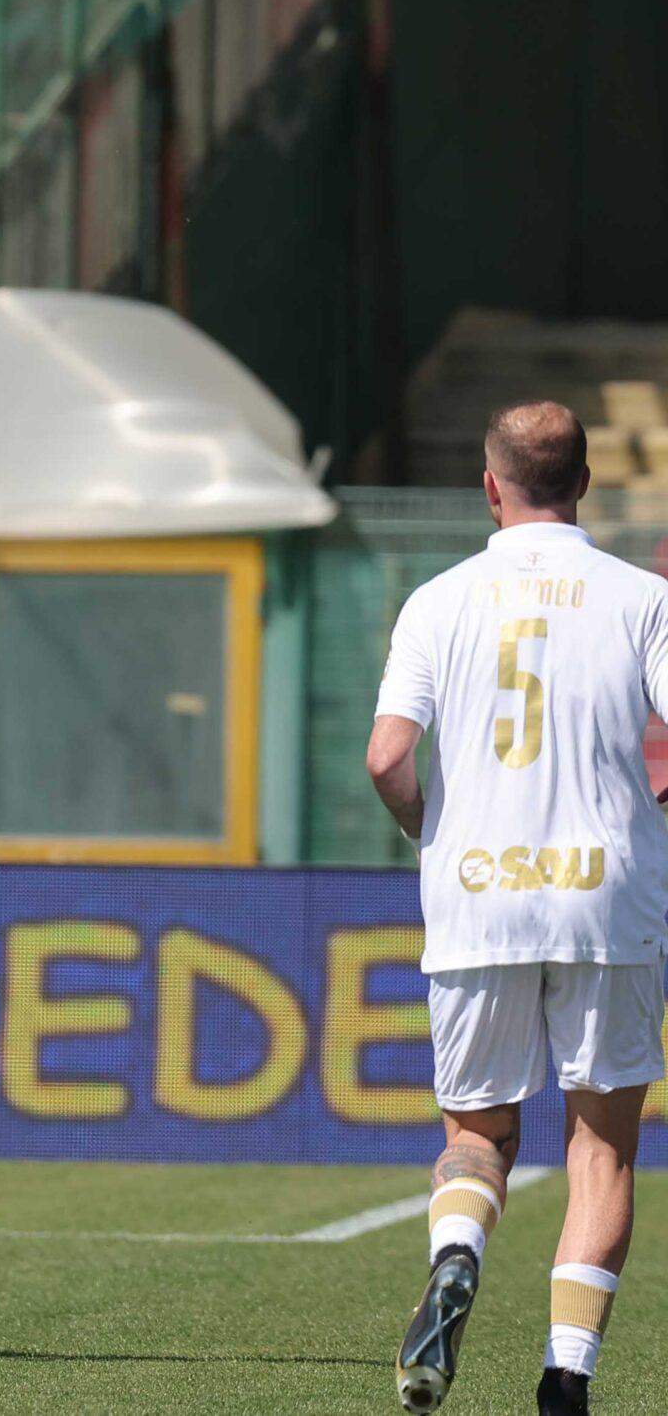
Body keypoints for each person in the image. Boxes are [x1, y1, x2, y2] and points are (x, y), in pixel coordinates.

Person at [370, 401, 668, 1416]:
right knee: (600, 1145)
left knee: (480, 1134)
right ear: (582, 482)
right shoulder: (642, 598)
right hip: (606, 896)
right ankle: (565, 1379)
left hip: (476, 897)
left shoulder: (435, 600)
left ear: (489, 486)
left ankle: (457, 1253)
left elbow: (386, 756)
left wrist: (427, 827)